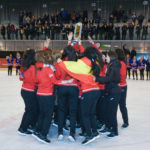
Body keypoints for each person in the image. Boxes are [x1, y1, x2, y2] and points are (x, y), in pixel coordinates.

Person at [55, 46, 79, 142]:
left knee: (61, 111)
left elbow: (57, 76)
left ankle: (60, 133)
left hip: (62, 87)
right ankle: (72, 134)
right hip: (73, 87)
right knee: (73, 112)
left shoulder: (60, 63)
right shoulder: (76, 63)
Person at [95, 51, 121, 137]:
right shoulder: (111, 65)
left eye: (107, 57)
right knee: (107, 111)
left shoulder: (113, 67)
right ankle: (108, 126)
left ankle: (114, 130)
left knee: (112, 112)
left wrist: (96, 78)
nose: (106, 58)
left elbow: (108, 79)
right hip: (110, 91)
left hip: (114, 92)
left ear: (112, 57)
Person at [18, 49, 37, 136]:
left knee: (29, 110)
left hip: (24, 90)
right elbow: (36, 80)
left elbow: (21, 77)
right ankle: (23, 128)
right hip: (29, 91)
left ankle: (27, 125)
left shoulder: (23, 66)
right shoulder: (33, 68)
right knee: (30, 110)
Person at [115, 49, 129, 128]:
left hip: (122, 87)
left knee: (122, 105)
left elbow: (122, 76)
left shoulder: (121, 63)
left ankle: (126, 121)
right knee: (117, 105)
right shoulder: (120, 63)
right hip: (120, 86)